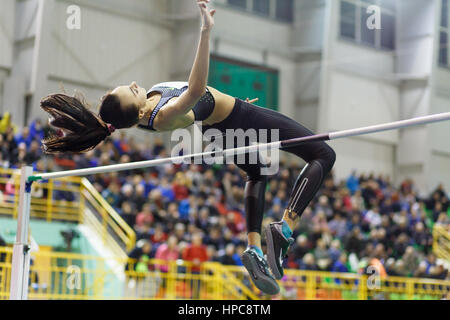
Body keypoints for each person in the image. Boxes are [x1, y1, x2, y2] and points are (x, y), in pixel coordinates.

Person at [38, 0, 336, 295]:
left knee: (258, 174)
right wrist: (205, 32)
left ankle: (254, 249)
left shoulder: (146, 105)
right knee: (323, 153)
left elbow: (202, 98)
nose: (132, 83)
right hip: (236, 117)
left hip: (221, 124)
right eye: (130, 92)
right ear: (138, 112)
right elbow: (195, 90)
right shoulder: (163, 115)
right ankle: (284, 228)